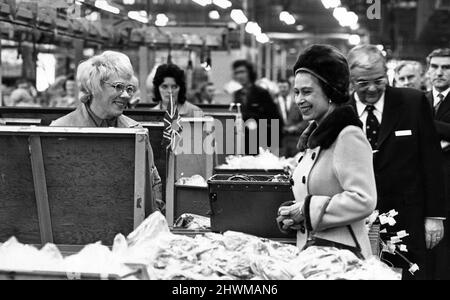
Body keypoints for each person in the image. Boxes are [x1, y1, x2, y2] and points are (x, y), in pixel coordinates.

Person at [347, 45, 446, 279]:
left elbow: (431, 161)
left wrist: (434, 216)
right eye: (362, 83)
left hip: (407, 217)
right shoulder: (340, 110)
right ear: (350, 80)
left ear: (387, 74)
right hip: (354, 220)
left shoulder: (412, 102)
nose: (372, 88)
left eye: (379, 80)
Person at [277, 45, 377, 259]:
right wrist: (294, 214)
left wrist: (307, 210)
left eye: (306, 92)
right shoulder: (317, 137)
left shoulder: (347, 136)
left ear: (330, 92)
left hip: (344, 257)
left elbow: (364, 199)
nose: (299, 100)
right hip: (318, 254)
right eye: (296, 92)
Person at [50, 51, 163, 212]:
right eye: (118, 87)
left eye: (129, 89)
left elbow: (153, 187)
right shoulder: (59, 130)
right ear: (94, 86)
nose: (125, 95)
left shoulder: (136, 132)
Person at [425, 48, 450, 280]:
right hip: (421, 192)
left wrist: (425, 124)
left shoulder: (416, 109)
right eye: (435, 67)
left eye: (446, 67)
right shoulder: (420, 100)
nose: (439, 72)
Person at [232, 60, 282, 155]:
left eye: (242, 72)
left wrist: (274, 148)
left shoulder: (262, 93)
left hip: (262, 142)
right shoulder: (237, 94)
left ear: (250, 73)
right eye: (237, 73)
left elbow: (274, 118)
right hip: (243, 142)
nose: (240, 76)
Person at [276, 79, 308, 158]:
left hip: (295, 140)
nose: (282, 89)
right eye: (280, 87)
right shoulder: (274, 104)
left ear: (290, 88)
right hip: (280, 141)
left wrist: (295, 128)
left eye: (284, 87)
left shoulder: (298, 102)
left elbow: (306, 119)